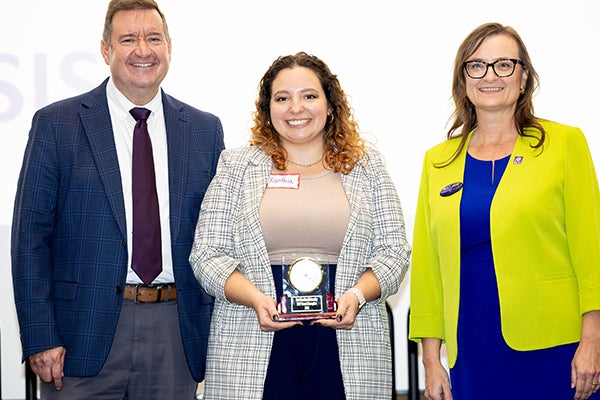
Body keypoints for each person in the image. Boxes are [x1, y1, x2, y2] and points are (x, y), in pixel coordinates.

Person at [11, 0, 225, 398]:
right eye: (128, 39)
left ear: (170, 47)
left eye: (153, 38)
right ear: (106, 49)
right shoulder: (56, 123)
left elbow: (217, 235)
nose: (143, 50)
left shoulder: (204, 130)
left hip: (176, 332)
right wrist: (40, 335)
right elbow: (30, 238)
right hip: (80, 337)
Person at [189, 52, 410, 400]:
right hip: (253, 334)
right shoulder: (236, 166)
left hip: (348, 338)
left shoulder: (366, 166)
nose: (296, 108)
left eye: (309, 96)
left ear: (330, 104)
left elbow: (394, 251)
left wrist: (356, 295)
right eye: (282, 98)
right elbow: (207, 255)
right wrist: (255, 300)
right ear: (267, 109)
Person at [408, 22, 600, 400]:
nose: (489, 75)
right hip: (472, 346)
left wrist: (593, 340)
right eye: (476, 65)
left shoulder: (564, 144)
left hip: (557, 343)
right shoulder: (438, 161)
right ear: (463, 81)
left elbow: (591, 249)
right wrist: (432, 362)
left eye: (503, 64)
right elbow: (428, 270)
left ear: (524, 76)